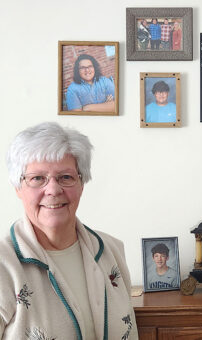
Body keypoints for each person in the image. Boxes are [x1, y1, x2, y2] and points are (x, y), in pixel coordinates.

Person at [0, 122, 138, 339]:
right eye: (38, 178)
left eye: (66, 177)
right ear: (18, 187)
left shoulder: (112, 251)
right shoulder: (4, 264)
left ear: (81, 184)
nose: (53, 190)